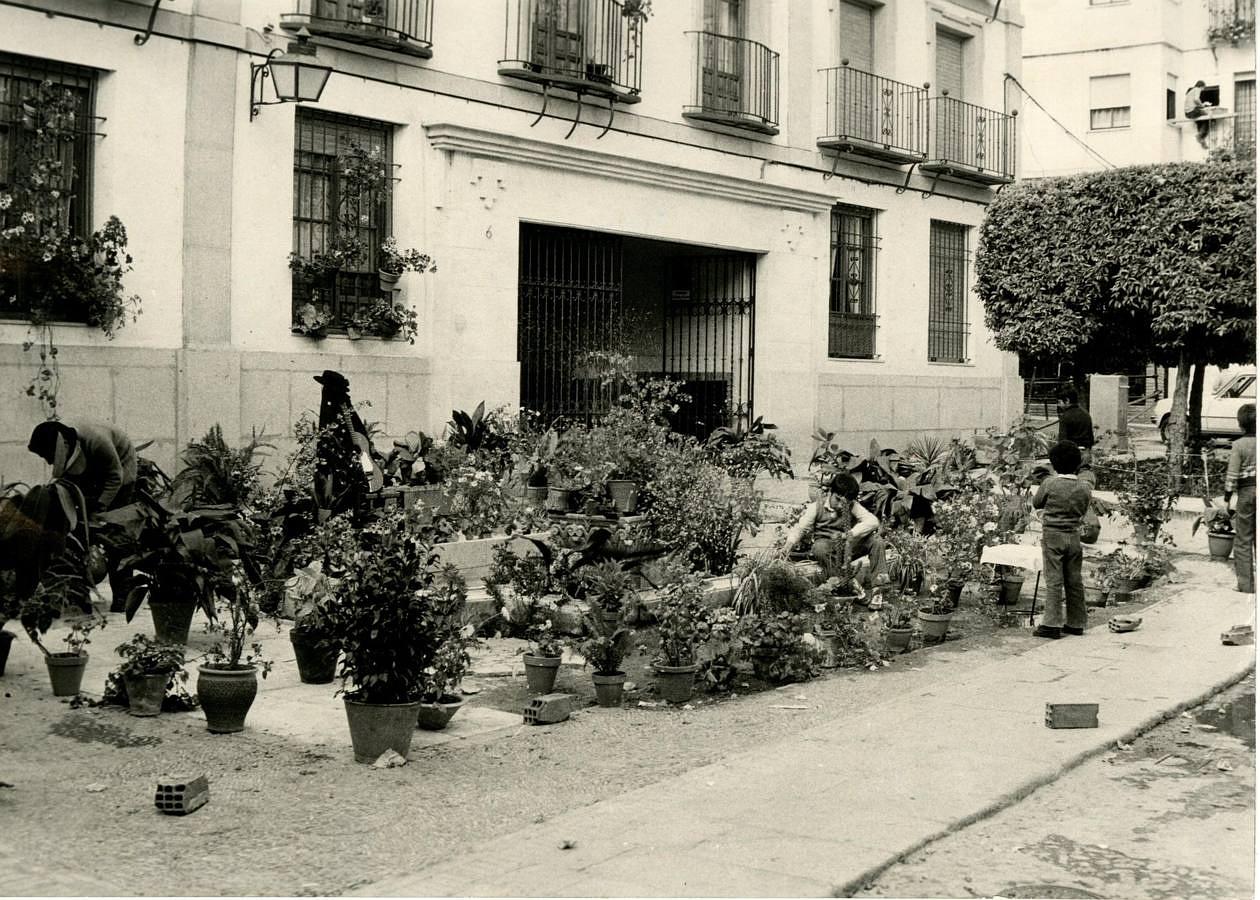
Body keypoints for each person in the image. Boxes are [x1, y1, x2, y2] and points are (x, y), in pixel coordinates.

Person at [27, 419, 138, 610]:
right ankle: (77, 592)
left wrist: (101, 507)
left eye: (50, 456)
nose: (49, 461)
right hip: (93, 471)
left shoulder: (98, 441)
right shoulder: (68, 445)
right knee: (75, 527)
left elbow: (115, 476)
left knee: (116, 535)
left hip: (122, 473)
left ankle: (124, 594)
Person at [781, 472, 885, 592]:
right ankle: (843, 582)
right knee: (819, 547)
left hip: (848, 547)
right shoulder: (816, 507)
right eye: (838, 500)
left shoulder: (853, 506)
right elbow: (800, 528)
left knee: (876, 540)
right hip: (828, 548)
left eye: (846, 503)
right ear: (831, 492)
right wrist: (788, 545)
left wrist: (848, 534)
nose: (841, 506)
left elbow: (873, 521)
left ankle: (879, 587)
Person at [1031, 441, 1092, 639]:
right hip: (1074, 536)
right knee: (1074, 579)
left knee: (1054, 579)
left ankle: (1051, 623)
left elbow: (1037, 502)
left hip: (1052, 536)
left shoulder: (1050, 483)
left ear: (1054, 464)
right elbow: (1084, 509)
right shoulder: (1084, 487)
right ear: (1077, 464)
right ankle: (1076, 622)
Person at [313, 369, 379, 521]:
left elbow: (357, 428)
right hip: (334, 458)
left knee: (349, 488)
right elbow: (325, 430)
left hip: (348, 459)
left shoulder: (342, 403)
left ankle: (350, 518)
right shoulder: (330, 405)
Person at [1224, 403, 1255, 594]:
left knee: (1243, 539)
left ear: (1240, 425)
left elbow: (1232, 475)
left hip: (1247, 494)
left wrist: (1228, 497)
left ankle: (1246, 585)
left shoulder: (1239, 445)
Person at [1056, 389, 1095, 466]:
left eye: (1059, 402)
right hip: (1085, 453)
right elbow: (1091, 437)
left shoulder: (1065, 416)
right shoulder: (1086, 414)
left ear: (1067, 400)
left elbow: (1063, 440)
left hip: (1071, 454)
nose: (1058, 405)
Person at [1185, 80, 1212, 147]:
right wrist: (1202, 105)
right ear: (1201, 86)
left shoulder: (1191, 91)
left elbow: (1194, 102)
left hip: (1188, 113)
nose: (1203, 90)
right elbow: (1196, 99)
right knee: (1207, 116)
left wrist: (1202, 104)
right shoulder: (1197, 89)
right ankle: (1200, 135)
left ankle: (1201, 138)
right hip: (1192, 111)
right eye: (1203, 88)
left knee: (1200, 120)